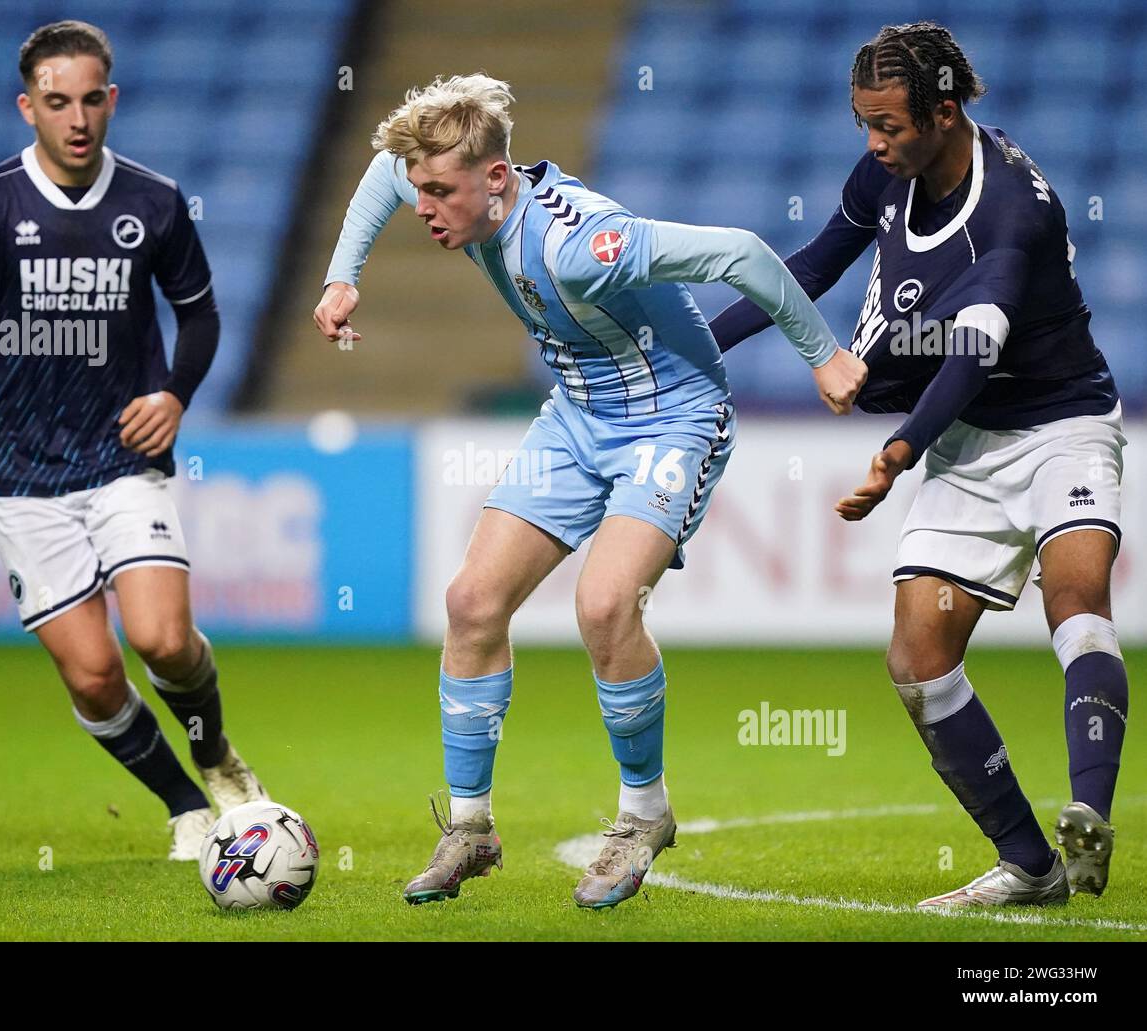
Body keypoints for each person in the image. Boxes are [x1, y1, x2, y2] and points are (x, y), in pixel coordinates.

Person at [314, 74, 865, 907]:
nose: (423, 206)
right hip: (578, 414)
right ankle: (470, 826)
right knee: (471, 602)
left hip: (675, 417)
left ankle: (644, 813)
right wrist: (341, 275)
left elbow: (744, 254)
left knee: (606, 605)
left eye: (439, 192)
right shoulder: (449, 177)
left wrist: (823, 354)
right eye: (421, 189)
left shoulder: (584, 245)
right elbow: (386, 172)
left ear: (495, 179)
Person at [710, 22, 1128, 907]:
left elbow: (970, 357)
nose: (873, 144)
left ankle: (1089, 810)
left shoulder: (1010, 212)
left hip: (1062, 426)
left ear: (943, 114)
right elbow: (815, 264)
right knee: (917, 658)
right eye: (864, 124)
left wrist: (897, 454)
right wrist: (703, 347)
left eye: (888, 126)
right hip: (971, 443)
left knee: (1077, 594)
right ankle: (1030, 863)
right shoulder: (891, 171)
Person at [0, 20, 266, 861]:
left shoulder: (153, 202)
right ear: (28, 108)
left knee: (162, 637)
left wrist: (175, 392)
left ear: (112, 99)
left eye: (92, 99)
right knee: (93, 674)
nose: (78, 117)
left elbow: (197, 313)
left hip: (124, 455)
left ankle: (215, 752)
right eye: (57, 102)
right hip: (19, 471)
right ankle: (182, 803)